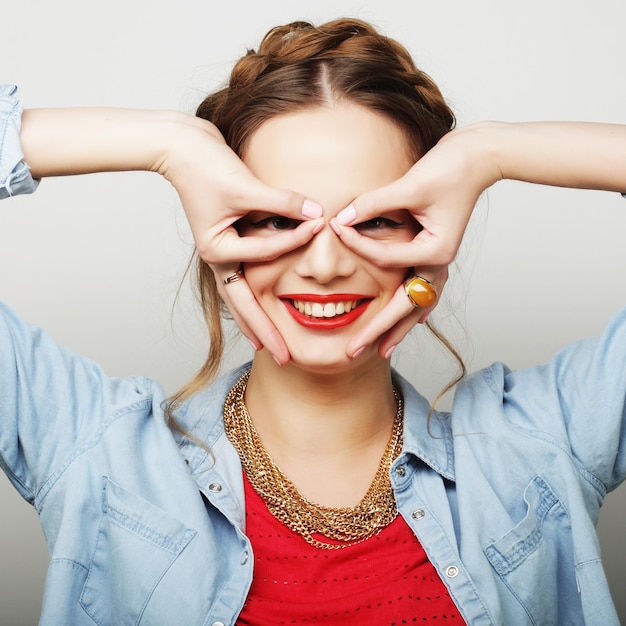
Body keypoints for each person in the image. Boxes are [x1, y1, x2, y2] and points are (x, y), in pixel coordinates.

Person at [1, 16, 625, 625]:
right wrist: (168, 144)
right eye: (277, 220)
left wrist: (491, 150)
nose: (325, 266)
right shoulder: (96, 451)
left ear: (433, 237)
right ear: (219, 234)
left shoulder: (542, 446)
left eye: (375, 218)